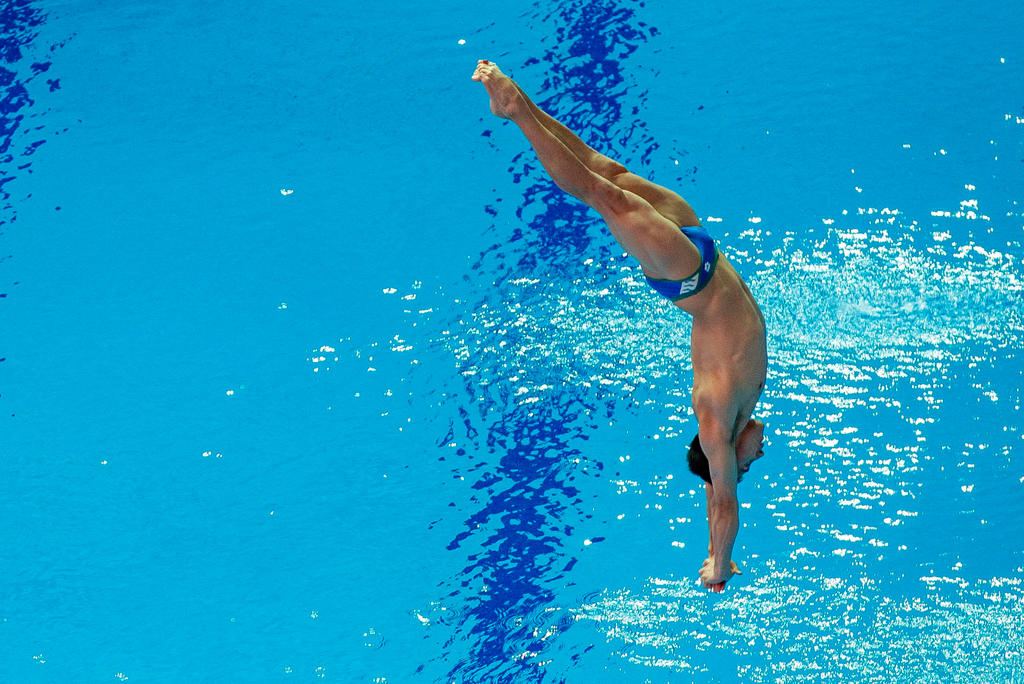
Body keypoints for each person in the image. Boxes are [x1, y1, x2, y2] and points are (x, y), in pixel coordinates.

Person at [472, 60, 767, 592]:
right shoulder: (733, 415)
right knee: (603, 169)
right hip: (699, 248)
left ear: (718, 453)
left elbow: (721, 497)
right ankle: (520, 105)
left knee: (598, 192)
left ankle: (515, 110)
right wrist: (711, 548)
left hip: (689, 275)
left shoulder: (716, 417)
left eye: (744, 467)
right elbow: (714, 491)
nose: (754, 459)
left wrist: (718, 567)